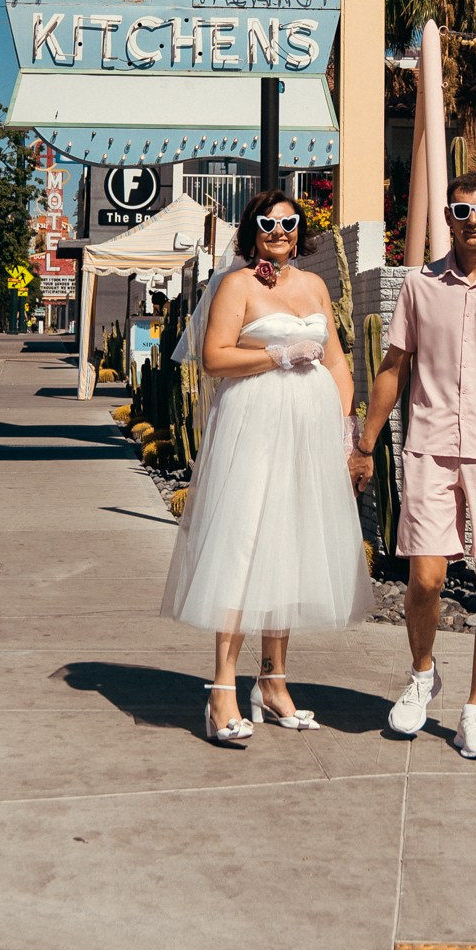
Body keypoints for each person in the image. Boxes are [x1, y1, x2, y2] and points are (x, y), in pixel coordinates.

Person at [351, 166, 476, 761]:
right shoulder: (418, 286)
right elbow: (393, 368)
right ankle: (423, 673)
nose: (473, 221)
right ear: (447, 218)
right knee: (426, 578)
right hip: (431, 446)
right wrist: (364, 445)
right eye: (462, 211)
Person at [161, 188, 369, 745]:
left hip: (309, 435)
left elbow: (337, 362)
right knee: (243, 546)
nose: (280, 231)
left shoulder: (315, 286)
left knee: (289, 547)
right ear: (253, 230)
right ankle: (222, 690)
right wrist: (277, 355)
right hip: (254, 429)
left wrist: (345, 430)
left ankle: (274, 682)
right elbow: (214, 357)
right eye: (269, 223)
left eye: (289, 223)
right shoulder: (237, 285)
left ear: (300, 232)